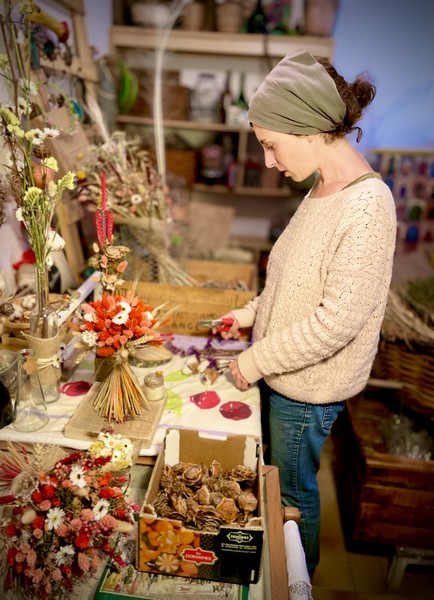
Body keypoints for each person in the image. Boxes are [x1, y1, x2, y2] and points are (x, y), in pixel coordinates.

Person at [216, 51, 396, 577]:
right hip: (285, 375)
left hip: (305, 390)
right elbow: (295, 283)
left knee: (293, 496)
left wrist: (254, 360)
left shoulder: (368, 206)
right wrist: (250, 315)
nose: (269, 161)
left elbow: (335, 321)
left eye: (271, 145)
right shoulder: (322, 188)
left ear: (310, 128)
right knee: (280, 486)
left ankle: (299, 582)